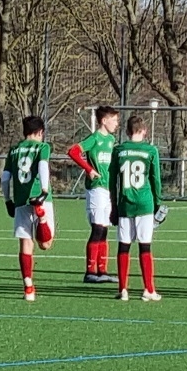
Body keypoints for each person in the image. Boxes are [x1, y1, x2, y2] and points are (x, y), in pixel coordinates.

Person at [109, 115, 164, 301]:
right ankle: (148, 289)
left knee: (123, 246)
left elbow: (112, 181)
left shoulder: (119, 150)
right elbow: (155, 179)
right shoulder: (151, 150)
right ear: (144, 130)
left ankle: (123, 289)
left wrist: (113, 205)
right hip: (145, 203)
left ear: (127, 131)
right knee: (145, 245)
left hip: (125, 203)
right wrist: (158, 201)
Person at [2, 116, 55, 302]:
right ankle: (42, 218)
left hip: (20, 200)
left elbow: (5, 178)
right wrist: (44, 191)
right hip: (40, 197)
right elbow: (42, 165)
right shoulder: (43, 147)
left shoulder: (14, 150)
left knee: (25, 243)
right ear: (40, 132)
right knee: (45, 244)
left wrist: (7, 200)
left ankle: (28, 287)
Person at [68, 105, 120, 284]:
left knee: (104, 229)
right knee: (97, 228)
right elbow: (73, 151)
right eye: (114, 120)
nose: (116, 123)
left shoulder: (111, 140)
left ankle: (102, 271)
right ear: (104, 121)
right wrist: (89, 169)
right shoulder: (94, 138)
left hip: (107, 189)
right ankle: (90, 272)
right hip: (96, 189)